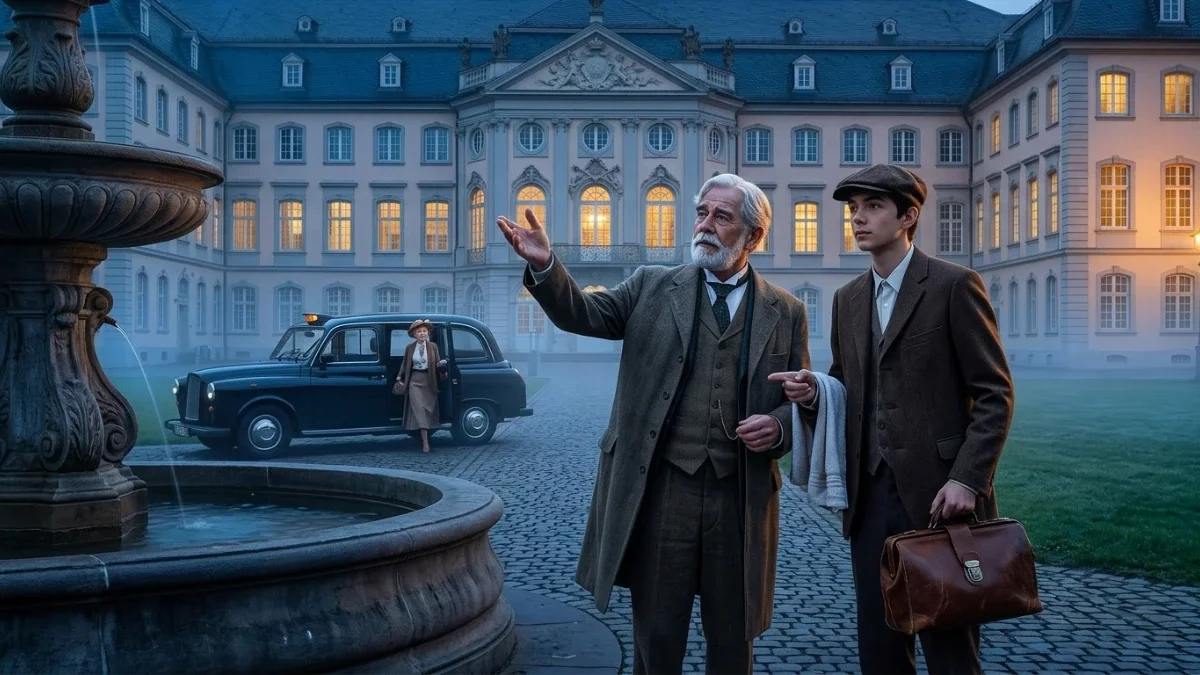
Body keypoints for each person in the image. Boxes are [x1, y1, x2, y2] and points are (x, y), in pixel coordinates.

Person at [497, 173, 812, 675]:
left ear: (752, 236)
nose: (705, 225)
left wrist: (778, 427)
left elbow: (798, 400)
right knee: (658, 635)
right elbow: (583, 313)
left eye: (722, 216)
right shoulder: (650, 285)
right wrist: (547, 267)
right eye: (702, 212)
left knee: (734, 637)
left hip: (741, 497)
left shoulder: (787, 311)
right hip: (663, 491)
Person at [770, 164, 1015, 675]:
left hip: (941, 498)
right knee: (880, 650)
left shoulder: (953, 285)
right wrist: (813, 393)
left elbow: (994, 393)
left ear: (908, 216)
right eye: (853, 209)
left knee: (950, 650)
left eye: (873, 207)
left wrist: (968, 479)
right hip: (869, 500)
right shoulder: (847, 300)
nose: (858, 218)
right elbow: (846, 384)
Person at [395, 318, 448, 453]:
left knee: (427, 410)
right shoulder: (410, 348)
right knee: (419, 409)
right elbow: (404, 363)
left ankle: (423, 436)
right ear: (414, 334)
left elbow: (436, 363)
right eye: (419, 331)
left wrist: (441, 364)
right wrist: (399, 377)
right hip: (414, 380)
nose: (422, 334)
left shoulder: (433, 347)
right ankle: (425, 443)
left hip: (429, 380)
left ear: (428, 333)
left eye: (424, 331)